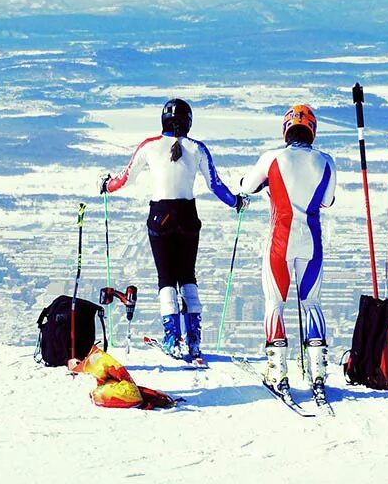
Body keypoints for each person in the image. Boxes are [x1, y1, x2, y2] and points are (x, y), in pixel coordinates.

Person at [101, 98, 244, 364]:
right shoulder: (197, 148)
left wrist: (106, 185)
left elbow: (124, 178)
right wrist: (237, 201)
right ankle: (194, 339)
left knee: (166, 278)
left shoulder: (149, 147)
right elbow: (216, 185)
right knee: (188, 275)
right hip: (188, 215)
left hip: (160, 216)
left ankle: (172, 338)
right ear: (189, 122)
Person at [239, 104, 337, 399]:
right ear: (312, 131)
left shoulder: (272, 158)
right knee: (312, 303)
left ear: (285, 129)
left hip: (279, 242)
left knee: (274, 303)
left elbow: (247, 186)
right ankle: (318, 371)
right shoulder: (326, 161)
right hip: (311, 242)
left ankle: (277, 371)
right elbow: (328, 201)